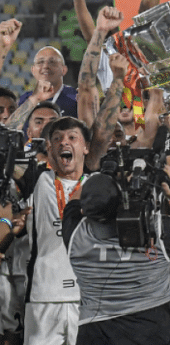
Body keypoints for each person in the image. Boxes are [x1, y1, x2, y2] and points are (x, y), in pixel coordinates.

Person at [63, 168, 170, 345]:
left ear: (84, 212)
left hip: (95, 332)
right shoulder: (154, 228)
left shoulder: (74, 233)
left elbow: (74, 201)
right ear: (120, 202)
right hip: (152, 328)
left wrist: (100, 175)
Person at [23, 117, 89, 345]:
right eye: (58, 139)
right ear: (49, 148)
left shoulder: (97, 185)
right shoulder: (38, 180)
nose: (64, 143)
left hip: (87, 297)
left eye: (72, 137)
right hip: (44, 297)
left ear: (86, 147)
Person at [17, 47, 77, 119]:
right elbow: (11, 128)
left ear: (63, 70)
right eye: (40, 62)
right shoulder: (25, 100)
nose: (45, 66)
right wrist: (34, 100)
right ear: (33, 70)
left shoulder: (76, 98)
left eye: (52, 62)